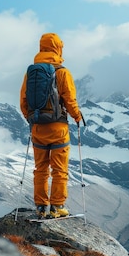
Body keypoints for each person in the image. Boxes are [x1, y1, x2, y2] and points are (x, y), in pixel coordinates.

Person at [20, 33, 82, 219]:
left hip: (37, 128)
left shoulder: (30, 73)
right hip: (58, 129)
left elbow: (23, 102)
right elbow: (70, 100)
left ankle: (40, 207)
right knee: (59, 169)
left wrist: (32, 120)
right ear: (58, 48)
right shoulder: (62, 72)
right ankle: (57, 207)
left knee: (40, 169)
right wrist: (77, 117)